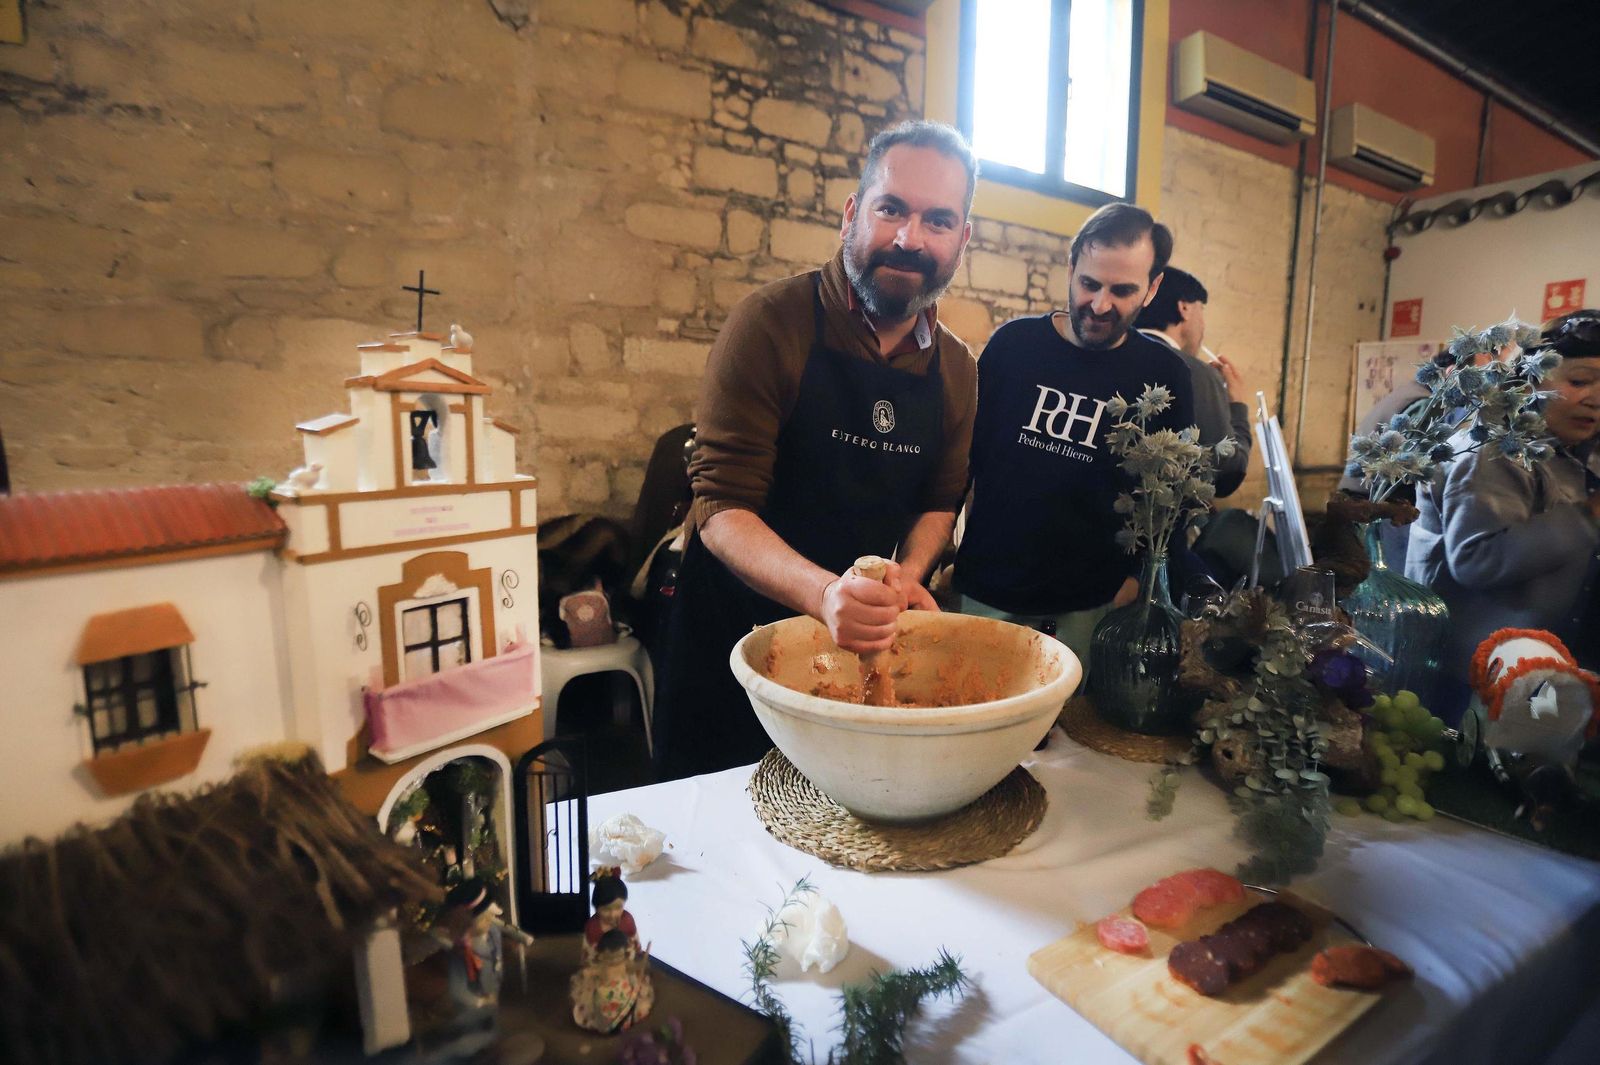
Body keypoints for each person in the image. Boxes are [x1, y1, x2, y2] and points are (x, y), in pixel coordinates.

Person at [651, 121, 980, 780]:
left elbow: (940, 503)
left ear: (961, 241)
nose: (910, 239)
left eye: (938, 221)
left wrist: (908, 574)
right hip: (730, 645)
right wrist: (825, 593)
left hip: (851, 655)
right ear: (852, 214)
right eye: (892, 209)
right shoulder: (769, 325)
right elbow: (719, 507)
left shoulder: (957, 370)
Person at [952, 203, 1194, 669]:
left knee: (1072, 737)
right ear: (1071, 268)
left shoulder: (1164, 377)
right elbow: (961, 462)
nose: (1101, 305)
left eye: (1122, 290)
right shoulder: (1012, 347)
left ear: (1153, 287)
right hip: (988, 591)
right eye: (1089, 284)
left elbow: (1171, 501)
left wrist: (1137, 579)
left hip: (1092, 609)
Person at [1407, 311, 1600, 714]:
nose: (1595, 399)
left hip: (1538, 670)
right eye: (1579, 381)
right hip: (1469, 678)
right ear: (1531, 379)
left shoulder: (1577, 453)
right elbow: (1478, 560)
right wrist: (1587, 517)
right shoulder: (1492, 449)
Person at [1133, 266, 1252, 498]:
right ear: (1184, 307)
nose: (1203, 326)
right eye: (1202, 311)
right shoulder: (1194, 373)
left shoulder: (1109, 351)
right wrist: (1237, 406)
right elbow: (1226, 473)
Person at [583, 867, 641, 965]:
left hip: (625, 965)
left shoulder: (627, 920)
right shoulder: (593, 926)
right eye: (606, 909)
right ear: (597, 908)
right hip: (601, 967)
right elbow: (587, 956)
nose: (612, 914)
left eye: (618, 908)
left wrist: (633, 953)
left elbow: (636, 946)